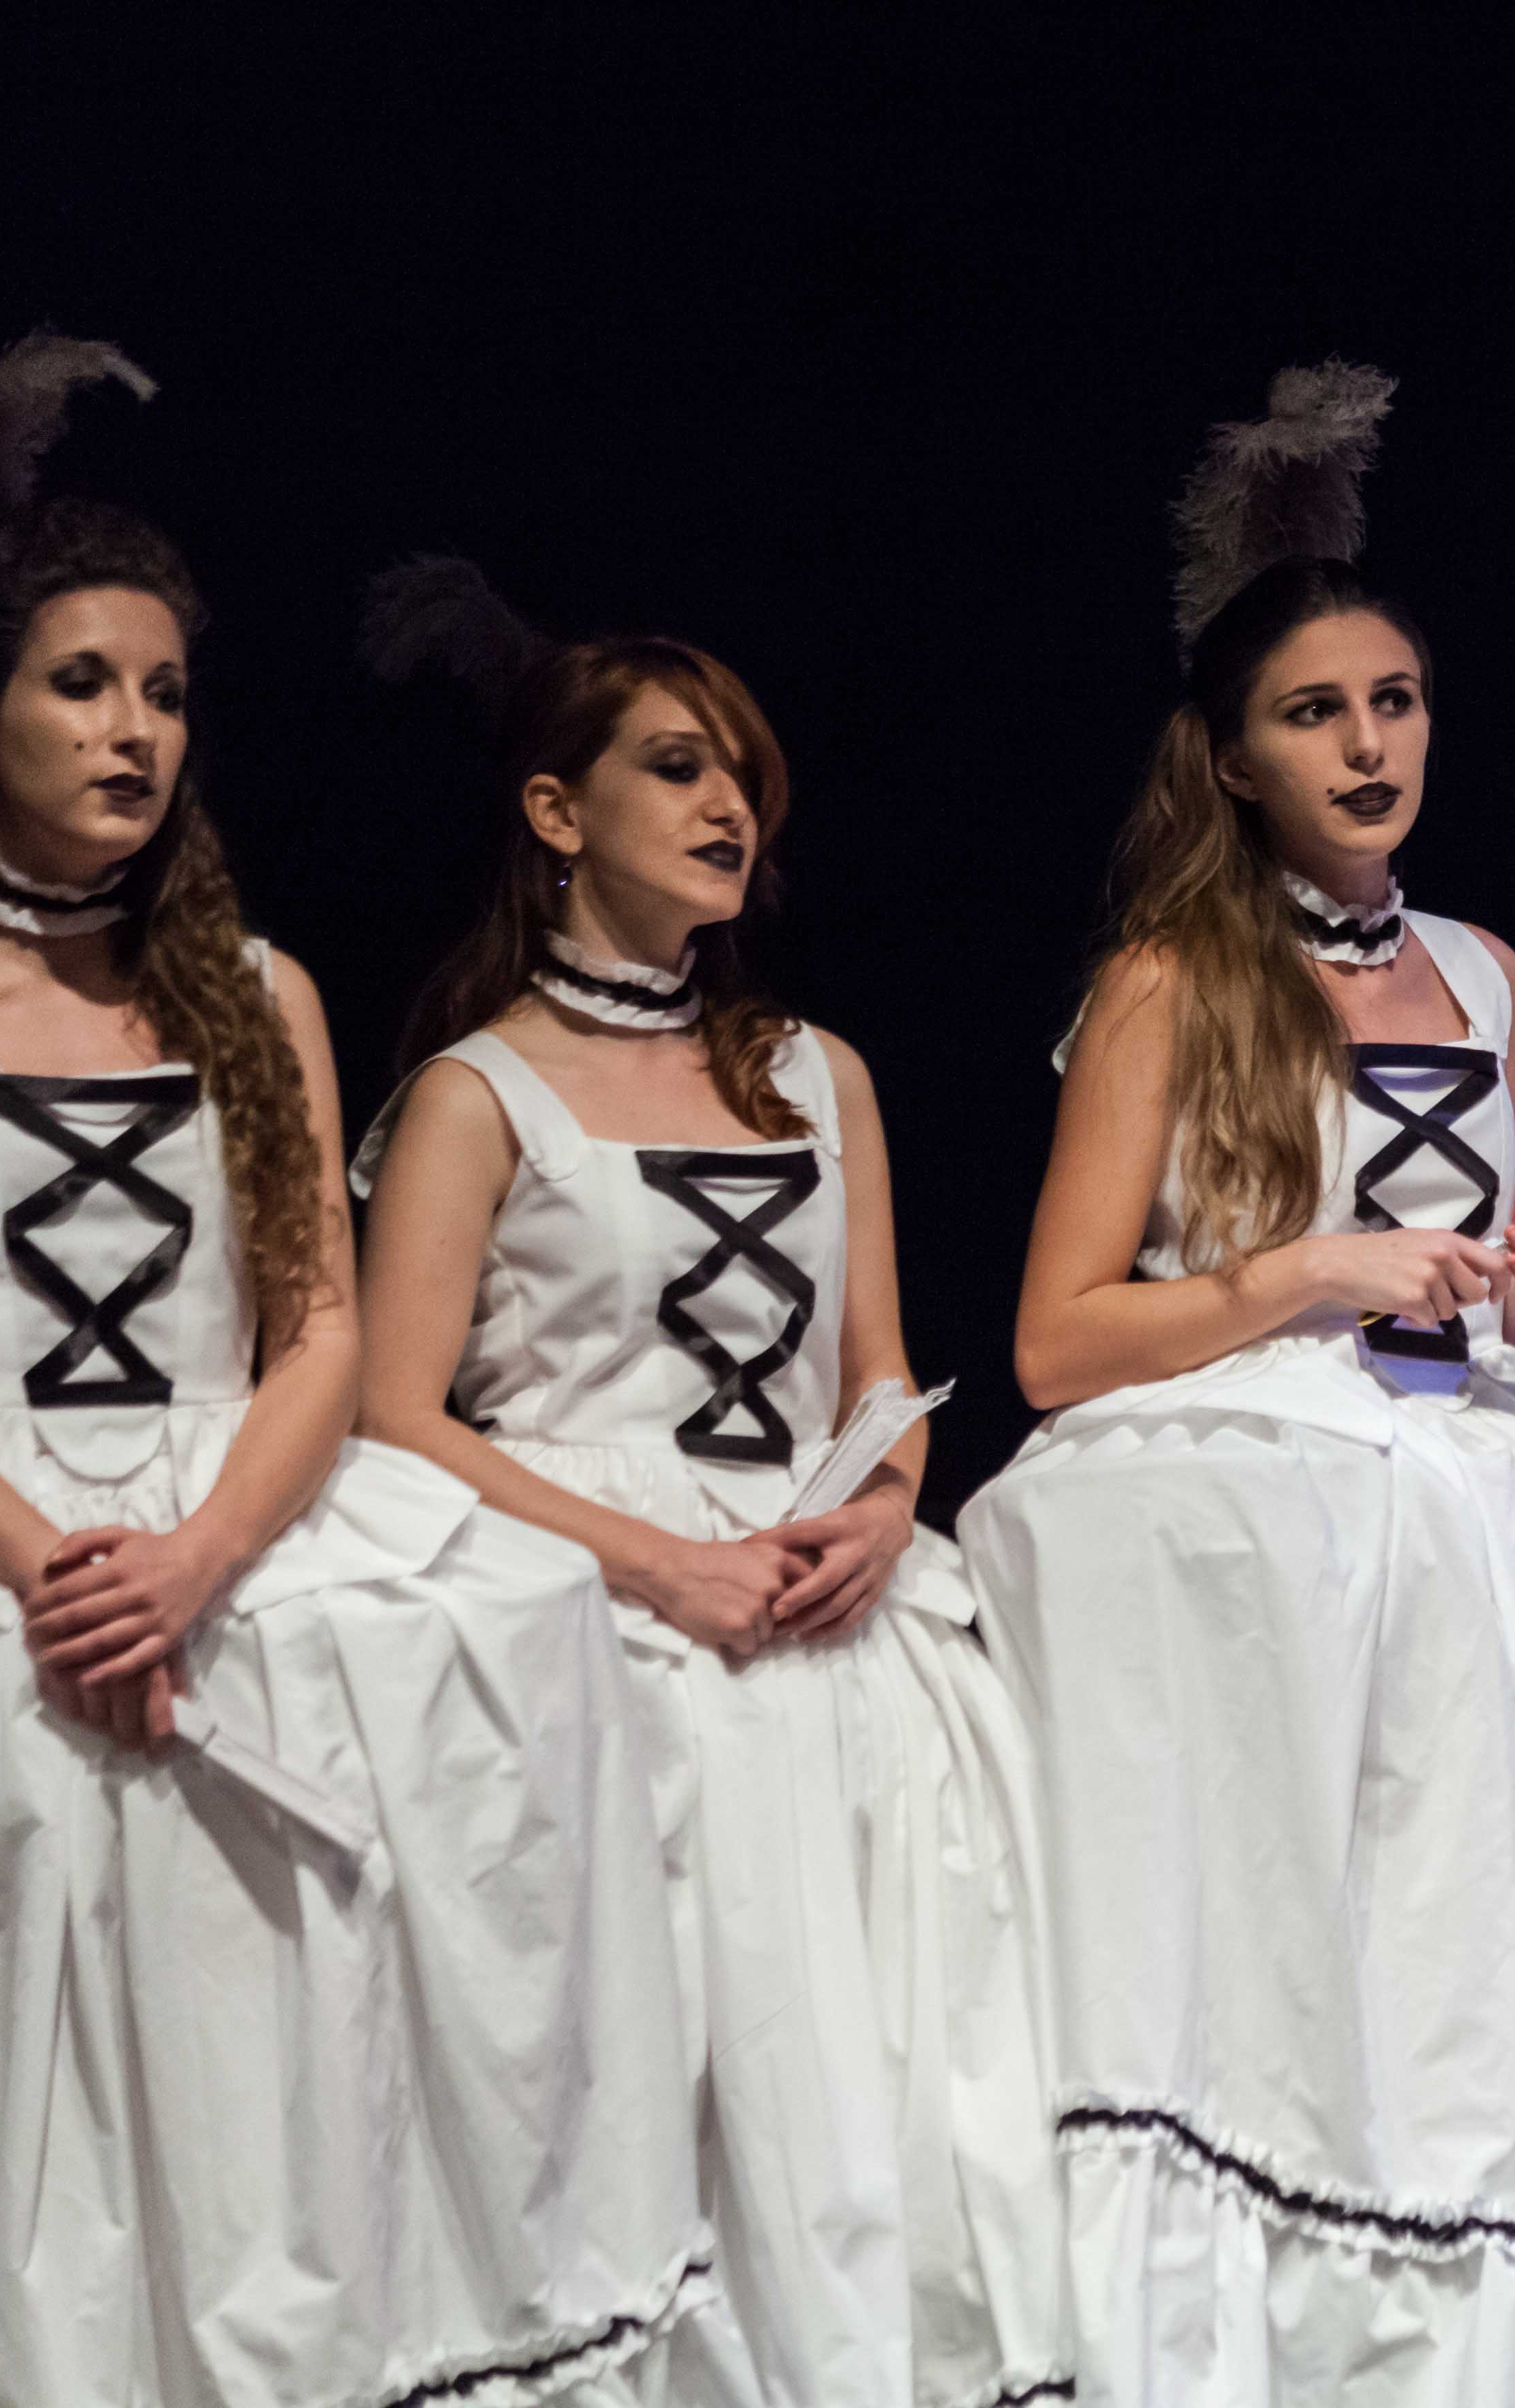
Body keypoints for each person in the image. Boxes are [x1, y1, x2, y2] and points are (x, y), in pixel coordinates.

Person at [0, 337, 722, 2407]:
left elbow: (321, 1333)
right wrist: (59, 1573)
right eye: (83, 684)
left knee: (462, 1701)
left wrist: (201, 1556)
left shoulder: (257, 992)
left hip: (231, 1513)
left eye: (164, 691)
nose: (137, 727)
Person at [956, 364, 1515, 2405]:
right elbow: (1057, 1339)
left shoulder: (1488, 971)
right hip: (1264, 1458)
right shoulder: (1170, 982)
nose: (1368, 745)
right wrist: (1304, 1271)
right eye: (1315, 713)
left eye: (1396, 702)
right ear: (1234, 759)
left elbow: (1487, 1318)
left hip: (1477, 1457)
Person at [355, 561, 1069, 2408]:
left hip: (826, 1592)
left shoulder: (822, 1074)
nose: (728, 803)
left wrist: (887, 1508)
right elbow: (396, 1415)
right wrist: (654, 1568)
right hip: (585, 1599)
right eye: (676, 767)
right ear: (555, 811)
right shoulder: (476, 1093)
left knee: (890, 2049)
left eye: (742, 773)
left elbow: (885, 1374)